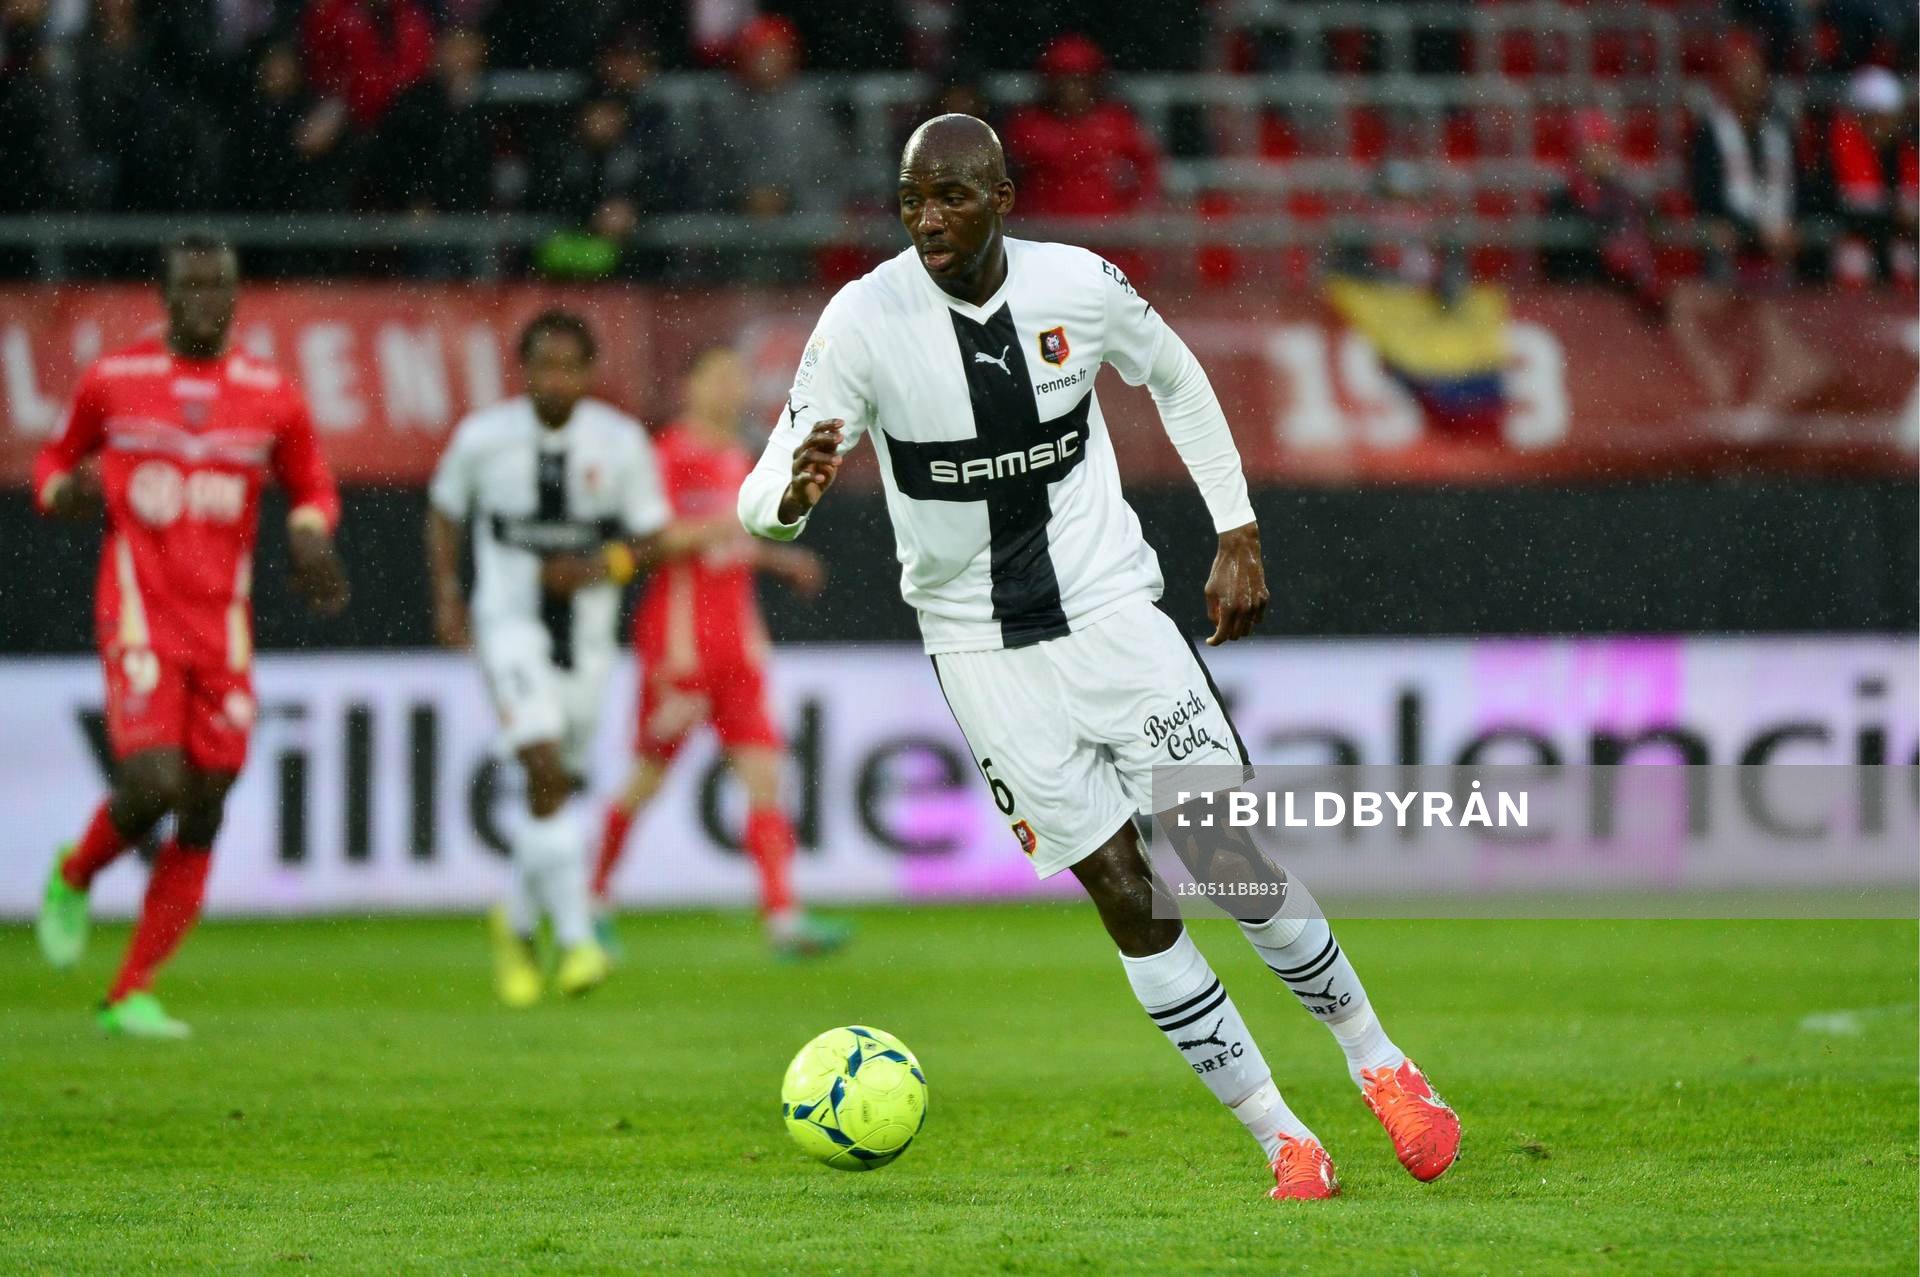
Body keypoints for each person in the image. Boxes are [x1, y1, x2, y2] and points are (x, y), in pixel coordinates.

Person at [738, 115, 1460, 1200]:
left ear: (1002, 197)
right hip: (983, 654)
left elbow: (1175, 374)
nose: (928, 219)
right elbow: (764, 496)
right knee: (1129, 897)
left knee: (1232, 863)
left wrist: (1237, 529)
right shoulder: (861, 323)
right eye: (910, 200)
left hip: (1114, 615)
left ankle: (1382, 1063)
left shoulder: (1080, 285)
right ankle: (1282, 1139)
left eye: (951, 197)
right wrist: (788, 500)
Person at [32, 235, 350, 1039]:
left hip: (223, 624)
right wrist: (60, 494)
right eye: (193, 287)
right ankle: (74, 875)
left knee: (206, 803)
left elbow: (311, 482)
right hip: (140, 610)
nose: (209, 300)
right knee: (153, 785)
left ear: (237, 296)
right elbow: (55, 461)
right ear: (166, 296)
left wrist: (310, 531)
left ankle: (131, 989)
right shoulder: (116, 381)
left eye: (222, 287)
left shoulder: (270, 393)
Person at [425, 311, 670, 1008]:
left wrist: (605, 563)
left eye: (568, 366)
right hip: (508, 628)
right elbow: (444, 509)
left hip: (587, 645)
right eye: (542, 365)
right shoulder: (483, 439)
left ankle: (516, 918)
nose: (554, 379)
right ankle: (578, 935)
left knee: (555, 785)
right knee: (540, 766)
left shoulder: (619, 444)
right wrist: (449, 594)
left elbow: (653, 537)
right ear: (523, 369)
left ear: (589, 373)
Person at [593, 345, 847, 959]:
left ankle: (782, 915)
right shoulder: (667, 455)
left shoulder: (740, 455)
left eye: (739, 378)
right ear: (690, 386)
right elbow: (646, 544)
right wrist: (716, 529)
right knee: (647, 777)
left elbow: (733, 542)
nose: (732, 389)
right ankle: (589, 899)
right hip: (681, 645)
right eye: (719, 376)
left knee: (765, 774)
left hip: (738, 644)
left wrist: (779, 558)